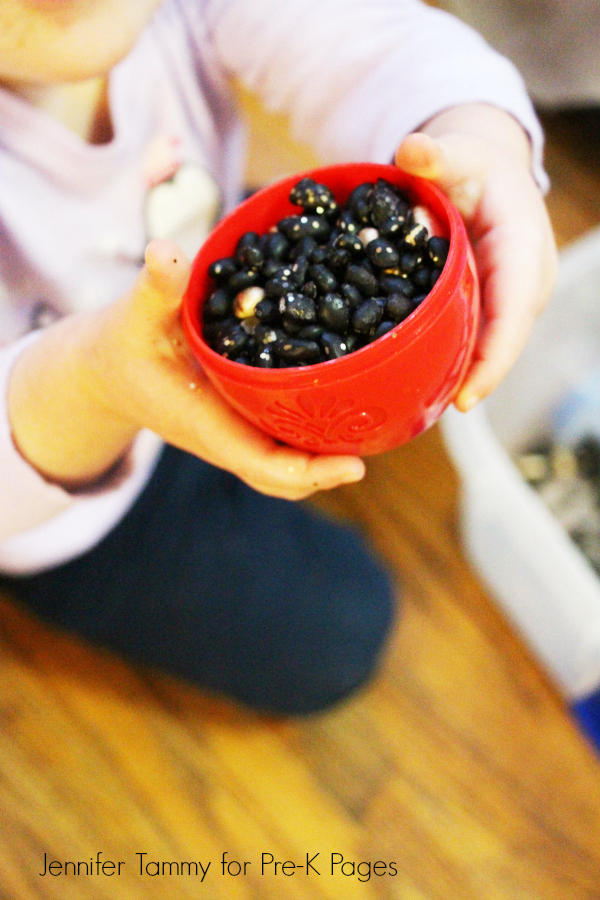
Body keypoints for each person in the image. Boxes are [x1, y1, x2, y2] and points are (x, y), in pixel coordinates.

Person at [0, 0, 557, 714]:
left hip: (215, 319)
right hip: (59, 483)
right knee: (341, 629)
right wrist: (94, 383)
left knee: (406, 316)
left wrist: (480, 136)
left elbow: (372, 44)